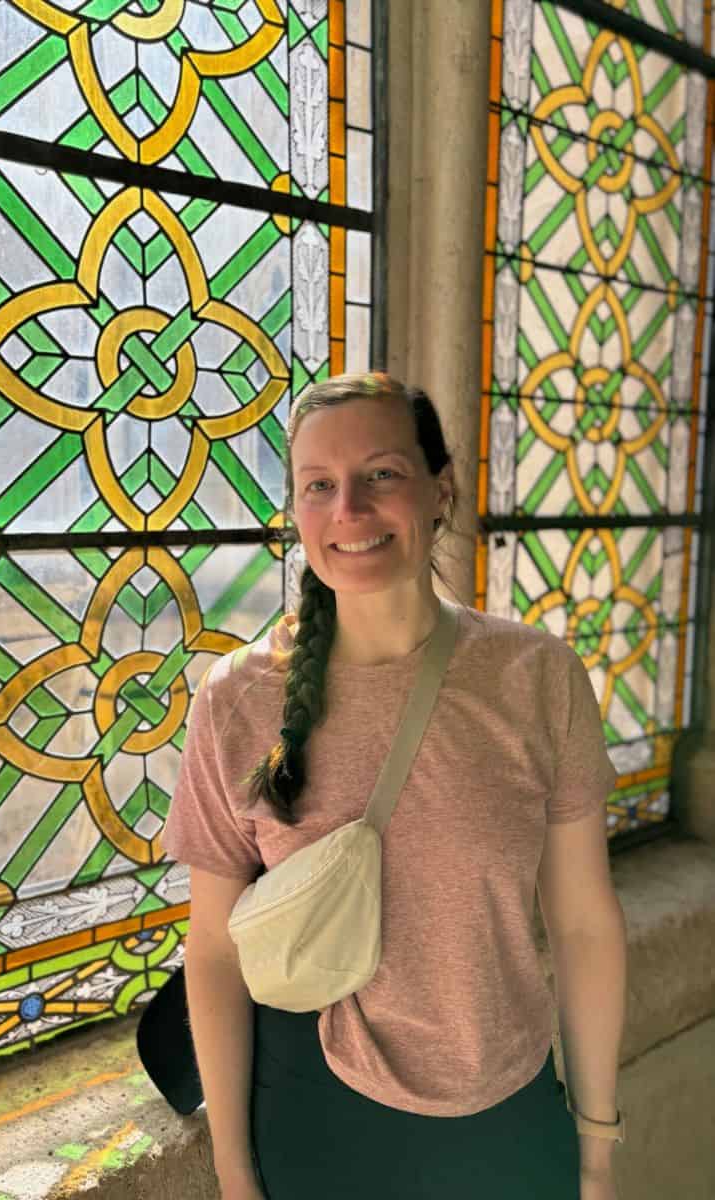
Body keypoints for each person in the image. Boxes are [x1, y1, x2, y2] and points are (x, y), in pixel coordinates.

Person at [160, 373, 617, 1199]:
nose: (349, 512)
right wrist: (234, 1172)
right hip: (314, 1119)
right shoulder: (236, 700)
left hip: (509, 1116)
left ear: (440, 490)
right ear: (296, 513)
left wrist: (595, 1147)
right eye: (318, 487)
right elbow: (216, 952)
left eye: (381, 475)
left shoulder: (537, 677)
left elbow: (583, 925)